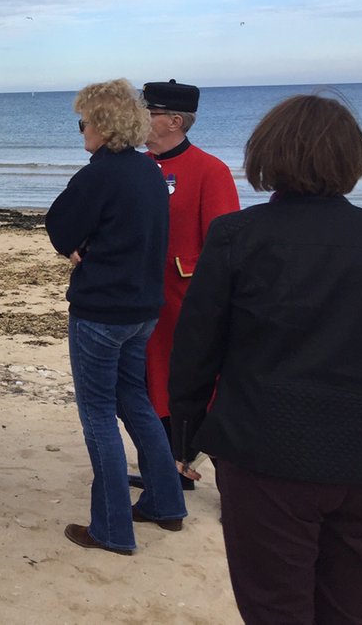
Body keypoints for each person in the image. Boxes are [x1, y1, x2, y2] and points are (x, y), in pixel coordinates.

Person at [169, 94, 362, 624]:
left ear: (268, 155)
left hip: (266, 452)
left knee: (273, 604)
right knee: (349, 595)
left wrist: (187, 437)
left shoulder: (238, 237)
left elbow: (197, 349)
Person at [46, 78, 185, 555]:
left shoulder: (99, 174)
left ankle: (111, 528)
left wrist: (79, 246)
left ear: (103, 126)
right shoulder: (149, 170)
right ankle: (166, 503)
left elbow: (61, 228)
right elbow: (126, 231)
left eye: (83, 121)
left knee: (99, 414)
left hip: (103, 311)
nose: (80, 129)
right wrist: (87, 245)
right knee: (134, 399)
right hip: (142, 308)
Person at [137, 79, 238, 491]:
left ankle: (229, 478)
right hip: (143, 296)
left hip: (188, 297)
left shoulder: (210, 169)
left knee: (202, 384)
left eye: (150, 113)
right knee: (152, 382)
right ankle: (167, 470)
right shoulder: (138, 165)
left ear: (174, 121)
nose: (141, 120)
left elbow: (223, 242)